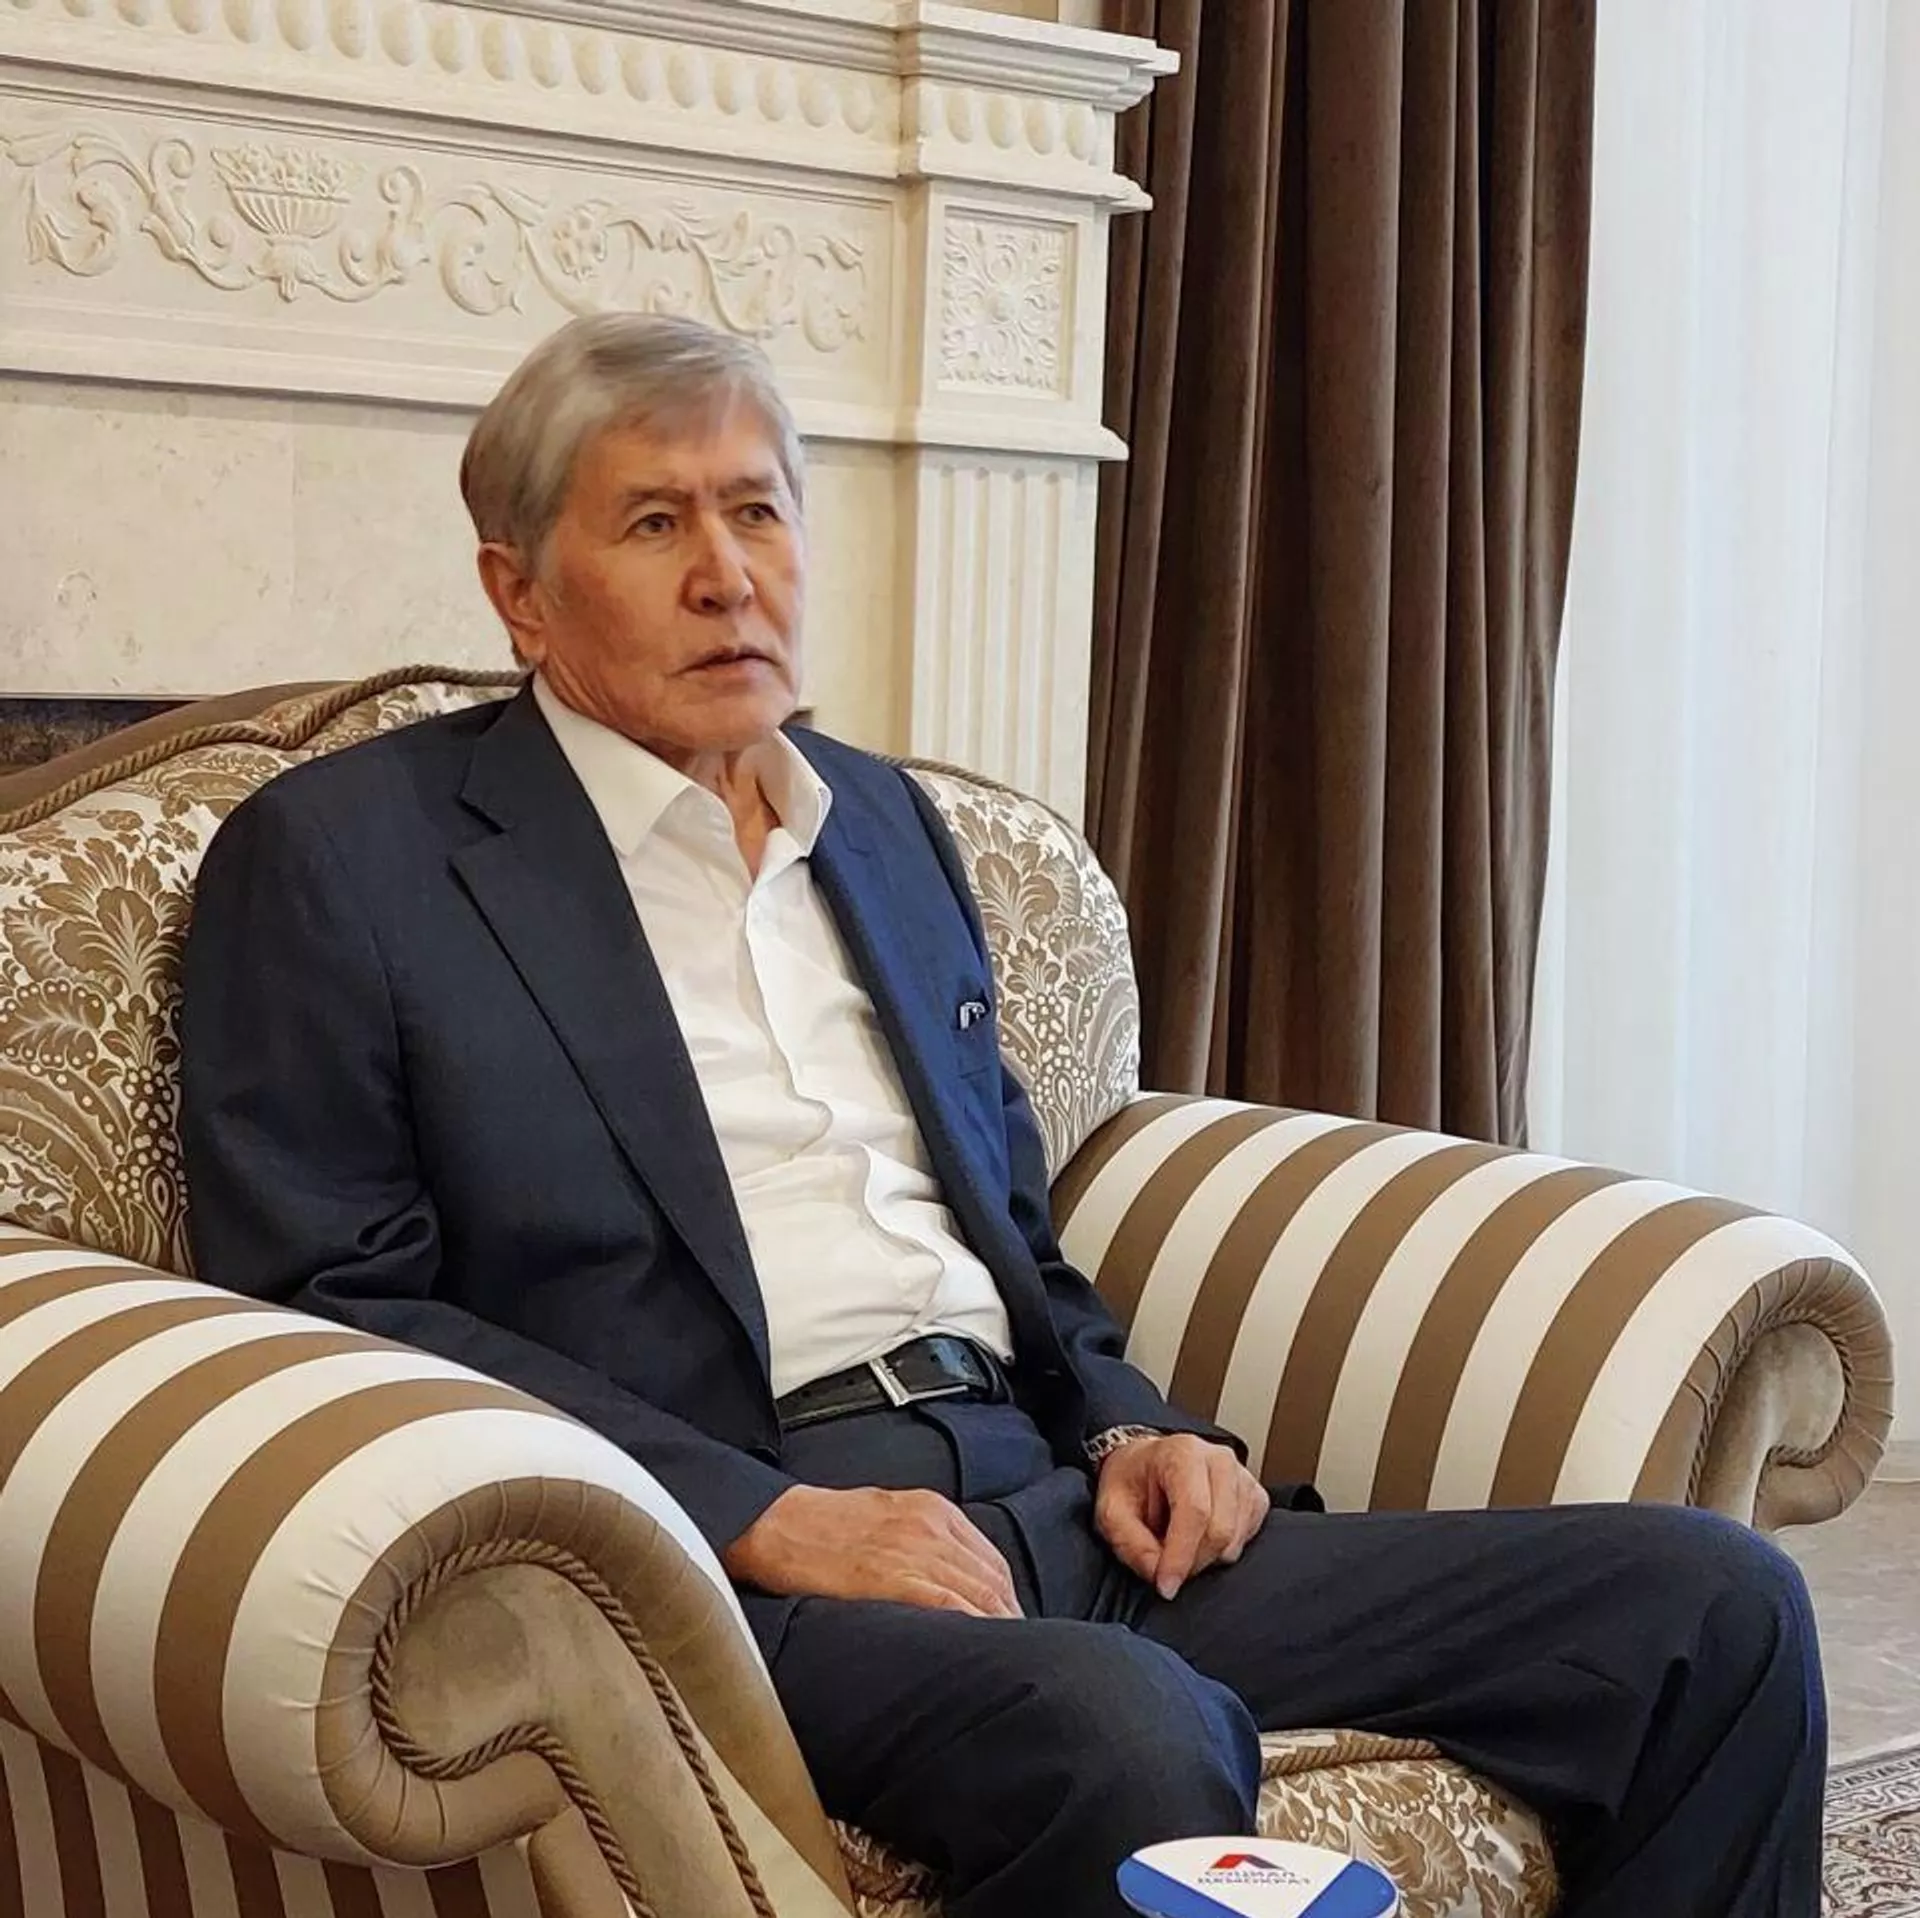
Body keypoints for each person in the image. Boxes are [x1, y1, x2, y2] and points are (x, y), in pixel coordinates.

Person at [179, 313, 1825, 1918]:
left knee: (1712, 1606)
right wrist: (762, 1516)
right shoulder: (349, 862)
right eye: (656, 523)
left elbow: (1016, 1237)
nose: (728, 573)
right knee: (1130, 1732)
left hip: (1048, 1502)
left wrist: (1134, 1427)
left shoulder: (884, 825)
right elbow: (335, 1300)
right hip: (723, 1565)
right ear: (520, 592)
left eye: (758, 510)